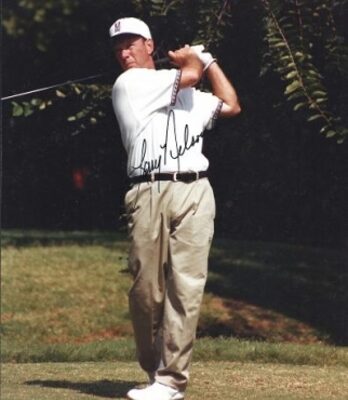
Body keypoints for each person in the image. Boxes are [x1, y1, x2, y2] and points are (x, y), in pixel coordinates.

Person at [109, 17, 241, 400]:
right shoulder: (130, 84)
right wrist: (193, 60)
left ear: (149, 45)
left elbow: (231, 105)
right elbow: (189, 74)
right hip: (147, 191)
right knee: (146, 291)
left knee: (186, 287)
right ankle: (154, 370)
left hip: (196, 190)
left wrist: (209, 59)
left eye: (132, 43)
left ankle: (170, 381)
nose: (124, 52)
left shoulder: (189, 94)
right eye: (118, 46)